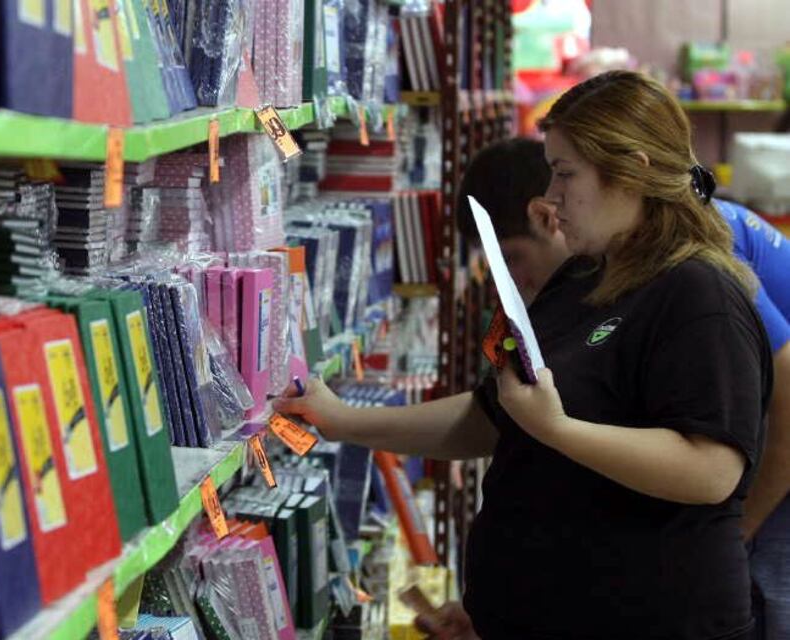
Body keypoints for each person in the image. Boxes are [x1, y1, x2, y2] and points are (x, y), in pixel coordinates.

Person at [274, 70, 773, 639]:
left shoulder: (697, 294)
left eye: (565, 173)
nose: (551, 197)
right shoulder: (584, 277)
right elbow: (493, 417)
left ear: (633, 171)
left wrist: (558, 429)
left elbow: (710, 471)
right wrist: (343, 421)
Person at [460, 137, 790, 640]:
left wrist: (740, 530)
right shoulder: (629, 252)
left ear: (546, 218)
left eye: (513, 260)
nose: (518, 282)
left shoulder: (695, 258)